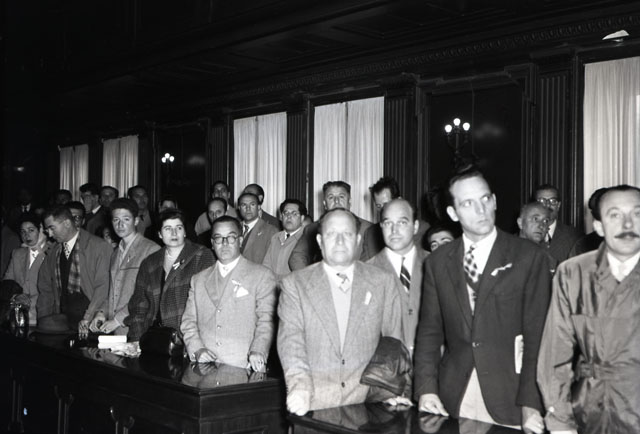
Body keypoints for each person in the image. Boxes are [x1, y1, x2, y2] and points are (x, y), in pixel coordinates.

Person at [413, 167, 553, 432]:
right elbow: (429, 332)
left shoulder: (528, 256)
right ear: (453, 213)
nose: (480, 210)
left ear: (495, 201)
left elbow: (538, 337)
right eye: (468, 203)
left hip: (511, 396)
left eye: (485, 199)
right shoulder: (438, 262)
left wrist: (531, 403)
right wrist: (426, 389)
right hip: (455, 396)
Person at [278, 208, 403, 414]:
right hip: (313, 403)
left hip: (369, 406)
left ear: (358, 240)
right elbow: (291, 342)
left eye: (347, 234)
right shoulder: (295, 284)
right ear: (319, 241)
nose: (339, 241)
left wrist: (390, 389)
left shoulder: (383, 281)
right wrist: (299, 389)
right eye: (331, 234)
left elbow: (393, 340)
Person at [537, 185, 640, 434]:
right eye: (615, 215)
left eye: (637, 214)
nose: (627, 224)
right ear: (599, 227)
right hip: (591, 411)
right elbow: (555, 353)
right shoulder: (573, 273)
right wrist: (561, 423)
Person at [181, 216, 277, 369]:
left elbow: (267, 321)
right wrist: (197, 349)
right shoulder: (198, 280)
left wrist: (258, 350)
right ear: (212, 243)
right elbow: (188, 322)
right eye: (218, 238)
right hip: (205, 368)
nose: (224, 243)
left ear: (240, 240)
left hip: (244, 366)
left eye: (231, 237)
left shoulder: (262, 276)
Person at [125, 208, 215, 342]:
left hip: (188, 337)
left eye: (179, 228)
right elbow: (139, 305)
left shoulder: (202, 256)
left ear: (185, 232)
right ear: (160, 234)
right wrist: (137, 339)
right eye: (168, 228)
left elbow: (207, 305)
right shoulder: (150, 262)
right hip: (153, 337)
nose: (174, 233)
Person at [88, 198, 160, 335]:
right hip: (117, 331)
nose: (120, 225)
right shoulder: (115, 253)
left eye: (126, 219)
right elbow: (113, 293)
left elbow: (147, 296)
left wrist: (118, 320)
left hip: (139, 329)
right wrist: (101, 312)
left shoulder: (151, 250)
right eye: (116, 220)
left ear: (136, 221)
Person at [37, 205, 113, 335]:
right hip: (63, 324)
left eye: (52, 228)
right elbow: (45, 288)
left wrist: (88, 317)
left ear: (67, 223)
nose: (49, 234)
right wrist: (44, 320)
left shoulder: (99, 247)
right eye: (47, 229)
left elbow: (103, 288)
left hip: (93, 323)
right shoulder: (53, 251)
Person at [367, 198, 429, 355]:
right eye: (388, 223)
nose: (394, 230)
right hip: (388, 366)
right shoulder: (366, 272)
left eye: (402, 222)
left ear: (415, 226)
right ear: (381, 226)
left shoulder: (436, 264)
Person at [289, 181, 372, 270]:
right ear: (325, 204)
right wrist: (308, 277)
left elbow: (372, 262)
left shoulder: (368, 228)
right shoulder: (311, 229)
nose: (336, 201)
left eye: (341, 197)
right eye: (331, 197)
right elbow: (297, 257)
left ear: (350, 201)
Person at [361, 176, 429, 260]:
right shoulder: (370, 234)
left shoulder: (423, 230)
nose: (383, 210)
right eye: (378, 206)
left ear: (399, 200)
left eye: (386, 204)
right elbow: (363, 266)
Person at [3, 213, 51, 326]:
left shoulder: (51, 252)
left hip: (43, 316)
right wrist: (16, 295)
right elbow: (7, 282)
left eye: (31, 230)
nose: (26, 235)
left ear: (40, 230)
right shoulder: (17, 253)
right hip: (18, 315)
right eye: (23, 232)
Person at [534, 184, 582, 262]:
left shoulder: (575, 237)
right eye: (542, 201)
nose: (547, 205)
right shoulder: (523, 236)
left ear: (558, 205)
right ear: (533, 205)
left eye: (553, 201)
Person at [262, 199, 307, 278]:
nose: (289, 216)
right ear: (281, 217)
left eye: (294, 214)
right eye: (286, 213)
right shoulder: (275, 237)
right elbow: (266, 265)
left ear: (302, 218)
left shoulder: (306, 239)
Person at [237, 192, 278, 264]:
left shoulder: (271, 231)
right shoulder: (234, 228)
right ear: (239, 208)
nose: (248, 209)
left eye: (252, 204)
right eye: (244, 205)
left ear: (259, 207)